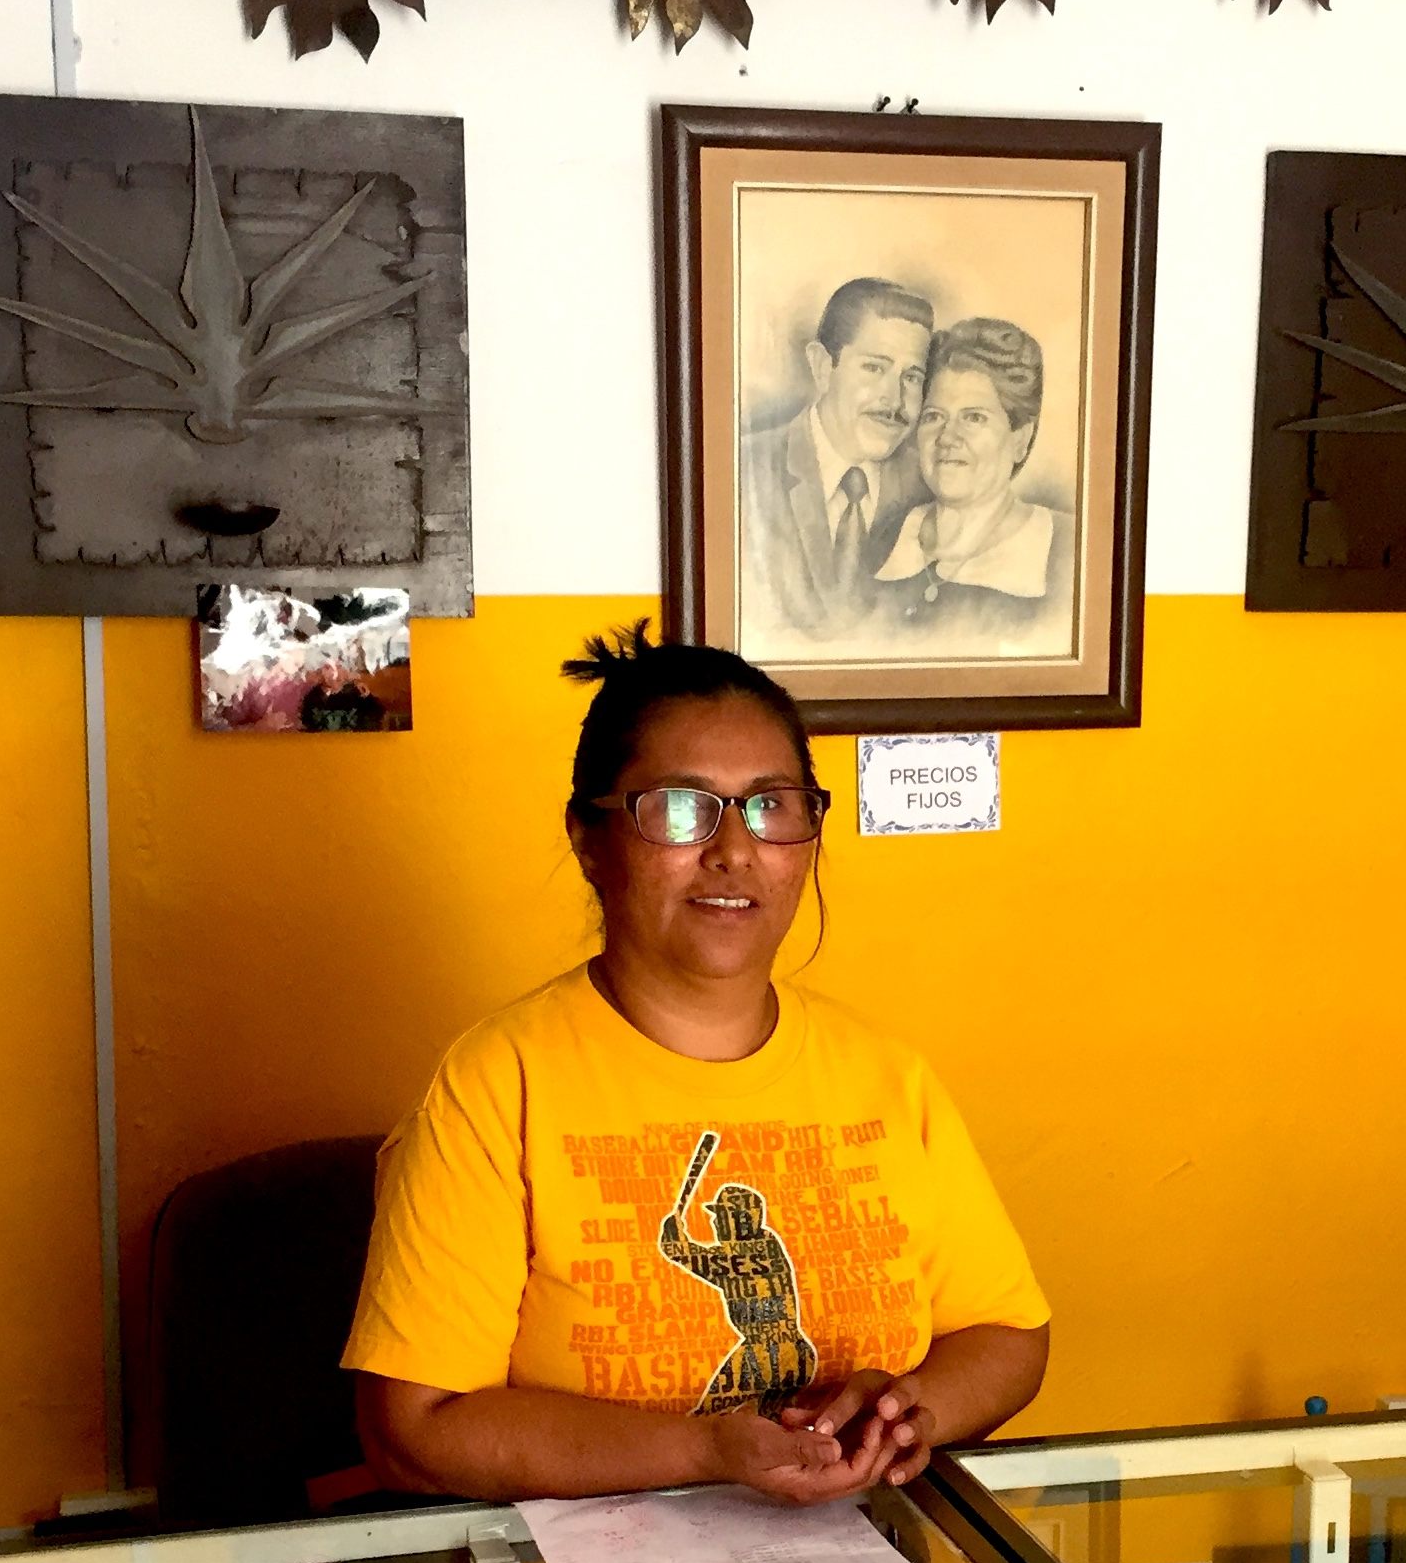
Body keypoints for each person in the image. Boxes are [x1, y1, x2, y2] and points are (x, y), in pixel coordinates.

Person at [347, 624, 1051, 1507]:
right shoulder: (498, 1083)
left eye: (771, 805)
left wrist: (911, 1412)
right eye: (680, 807)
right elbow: (416, 1429)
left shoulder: (884, 1075)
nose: (732, 848)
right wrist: (703, 1450)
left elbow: (1008, 1332)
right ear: (588, 839)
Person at [739, 277, 934, 651]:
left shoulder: (929, 484)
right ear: (822, 366)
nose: (894, 399)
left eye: (912, 377)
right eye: (875, 368)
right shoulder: (745, 473)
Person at [872, 317, 1076, 654]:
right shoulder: (881, 539)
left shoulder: (1068, 550)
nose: (948, 438)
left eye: (974, 417)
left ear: (1019, 440)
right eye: (934, 416)